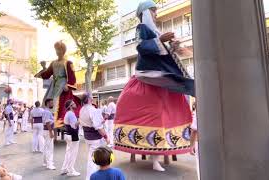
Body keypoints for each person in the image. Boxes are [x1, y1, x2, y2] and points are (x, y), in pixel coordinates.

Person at [113, 0, 194, 172]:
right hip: (149, 75)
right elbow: (142, 47)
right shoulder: (142, 28)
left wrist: (173, 45)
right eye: (153, 11)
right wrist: (160, 40)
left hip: (160, 76)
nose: (156, 14)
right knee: (156, 113)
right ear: (146, 13)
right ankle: (154, 158)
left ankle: (170, 147)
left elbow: (162, 53)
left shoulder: (156, 31)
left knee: (175, 105)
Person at [35, 41, 81, 130]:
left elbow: (72, 76)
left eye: (59, 49)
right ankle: (49, 120)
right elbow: (47, 73)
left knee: (60, 102)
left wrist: (68, 86)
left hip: (63, 85)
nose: (57, 52)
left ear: (63, 50)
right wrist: (42, 70)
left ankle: (60, 121)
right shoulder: (53, 63)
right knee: (49, 100)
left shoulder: (68, 62)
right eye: (56, 50)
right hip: (54, 84)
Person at [79, 92, 110, 180]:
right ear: (89, 99)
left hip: (87, 137)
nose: (92, 98)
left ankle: (92, 177)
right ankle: (90, 177)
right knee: (93, 159)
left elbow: (87, 122)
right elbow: (98, 127)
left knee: (92, 157)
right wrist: (106, 137)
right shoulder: (92, 109)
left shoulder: (82, 109)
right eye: (91, 97)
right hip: (94, 138)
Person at [61, 100, 80, 176]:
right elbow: (74, 125)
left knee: (68, 152)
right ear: (70, 106)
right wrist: (80, 120)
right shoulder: (71, 114)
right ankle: (70, 170)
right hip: (73, 135)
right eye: (74, 104)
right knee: (73, 153)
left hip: (69, 135)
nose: (75, 104)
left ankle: (64, 168)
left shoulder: (68, 113)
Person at [42, 99, 56, 170]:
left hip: (46, 130)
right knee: (49, 148)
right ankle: (49, 164)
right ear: (47, 103)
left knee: (46, 147)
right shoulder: (47, 112)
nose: (52, 104)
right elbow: (47, 122)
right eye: (51, 103)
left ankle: (45, 162)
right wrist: (51, 132)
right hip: (48, 130)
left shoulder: (46, 111)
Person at [190, 102, 199, 180]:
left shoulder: (199, 110)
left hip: (201, 142)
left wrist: (191, 146)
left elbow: (194, 131)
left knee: (201, 168)